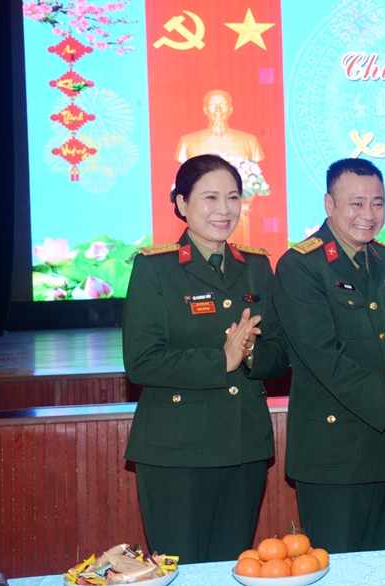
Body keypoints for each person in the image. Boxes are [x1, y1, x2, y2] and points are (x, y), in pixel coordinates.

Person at [273, 158, 385, 554]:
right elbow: (325, 357)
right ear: (329, 204)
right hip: (332, 456)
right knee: (339, 571)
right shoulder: (300, 266)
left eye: (378, 203)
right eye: (356, 203)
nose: (368, 215)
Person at [123, 154, 289, 563]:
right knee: (182, 569)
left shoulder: (256, 265)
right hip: (177, 450)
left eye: (232, 197)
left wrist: (249, 354)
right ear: (182, 203)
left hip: (243, 444)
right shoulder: (155, 267)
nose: (224, 209)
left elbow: (279, 353)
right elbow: (142, 361)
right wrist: (222, 360)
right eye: (210, 197)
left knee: (232, 566)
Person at [175, 89, 264, 163]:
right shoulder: (187, 142)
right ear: (205, 109)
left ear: (230, 109)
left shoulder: (250, 141)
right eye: (212, 105)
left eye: (223, 104)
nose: (218, 109)